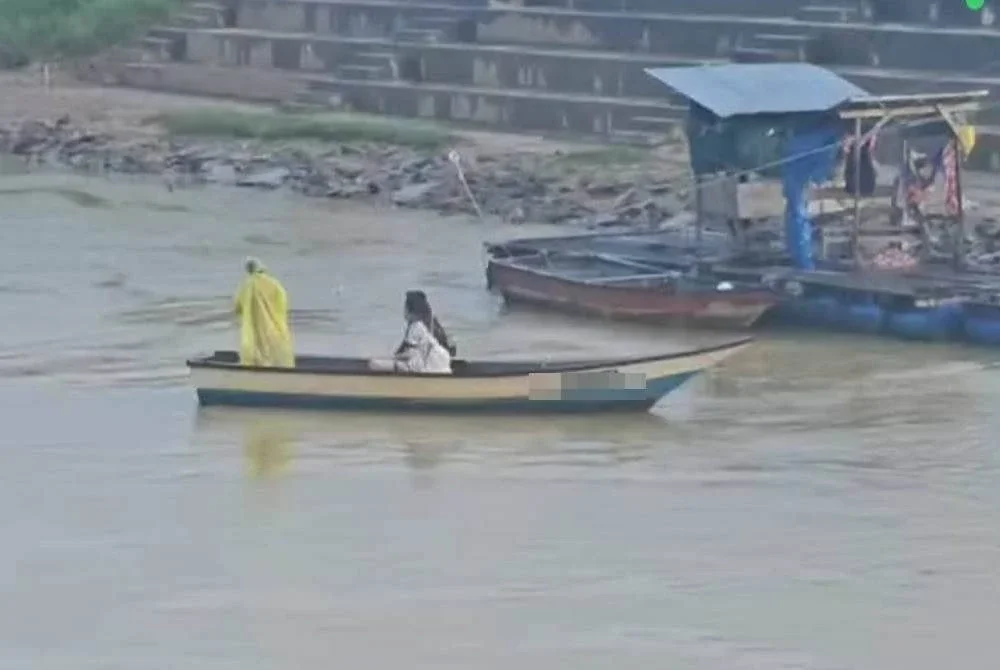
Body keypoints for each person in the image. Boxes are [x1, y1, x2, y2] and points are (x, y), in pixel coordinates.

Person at [369, 290, 453, 374]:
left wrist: (387, 359)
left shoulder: (416, 326)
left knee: (373, 364)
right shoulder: (432, 323)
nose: (404, 312)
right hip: (444, 364)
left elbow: (402, 352)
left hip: (427, 367)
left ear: (410, 310)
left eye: (405, 308)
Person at [233, 257, 294, 368]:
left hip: (254, 327)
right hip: (274, 326)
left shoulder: (246, 285)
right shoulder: (275, 284)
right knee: (274, 351)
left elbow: (237, 307)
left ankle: (256, 375)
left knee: (257, 351)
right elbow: (284, 302)